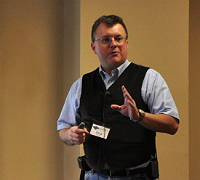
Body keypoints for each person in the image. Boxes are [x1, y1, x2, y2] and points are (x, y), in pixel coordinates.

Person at [57, 15, 179, 180]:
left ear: (126, 43)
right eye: (106, 39)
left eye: (118, 38)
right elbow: (63, 128)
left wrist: (139, 116)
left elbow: (172, 125)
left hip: (136, 176)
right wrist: (70, 135)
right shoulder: (81, 85)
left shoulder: (149, 78)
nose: (113, 44)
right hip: (93, 176)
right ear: (94, 47)